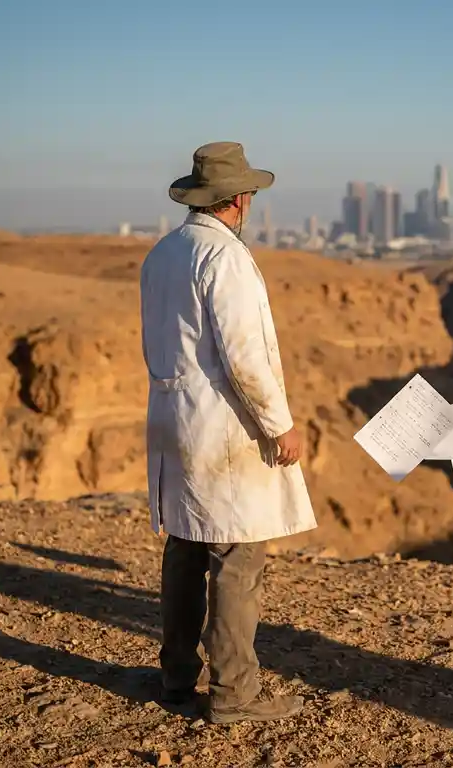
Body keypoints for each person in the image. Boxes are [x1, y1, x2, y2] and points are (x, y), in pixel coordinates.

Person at [139, 141, 317, 724]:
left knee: (185, 549)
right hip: (223, 428)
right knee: (238, 558)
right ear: (238, 198)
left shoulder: (163, 252)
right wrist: (280, 425)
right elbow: (245, 357)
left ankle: (175, 678)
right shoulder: (226, 258)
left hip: (173, 418)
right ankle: (235, 693)